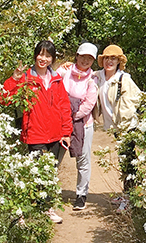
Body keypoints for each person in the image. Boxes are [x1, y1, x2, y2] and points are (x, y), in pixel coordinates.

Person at [2, 39, 72, 224]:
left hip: (56, 135)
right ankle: (26, 212)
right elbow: (5, 99)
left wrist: (66, 132)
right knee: (34, 174)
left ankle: (46, 210)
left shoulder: (57, 79)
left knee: (49, 174)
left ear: (52, 58)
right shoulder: (26, 78)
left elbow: (64, 107)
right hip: (35, 134)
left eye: (48, 55)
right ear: (35, 55)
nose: (44, 58)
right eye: (41, 54)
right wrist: (14, 79)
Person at [57, 43, 98, 211]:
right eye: (83, 56)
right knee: (55, 157)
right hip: (59, 123)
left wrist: (72, 116)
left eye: (90, 58)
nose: (85, 60)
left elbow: (89, 103)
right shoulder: (64, 71)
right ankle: (48, 193)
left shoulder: (92, 78)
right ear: (77, 55)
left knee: (83, 158)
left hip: (84, 124)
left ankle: (81, 194)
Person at [93, 44, 142, 134]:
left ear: (119, 61)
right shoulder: (98, 77)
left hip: (126, 127)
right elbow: (81, 73)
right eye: (106, 58)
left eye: (113, 58)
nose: (109, 61)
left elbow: (129, 105)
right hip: (113, 127)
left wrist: (123, 127)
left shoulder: (124, 79)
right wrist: (67, 66)